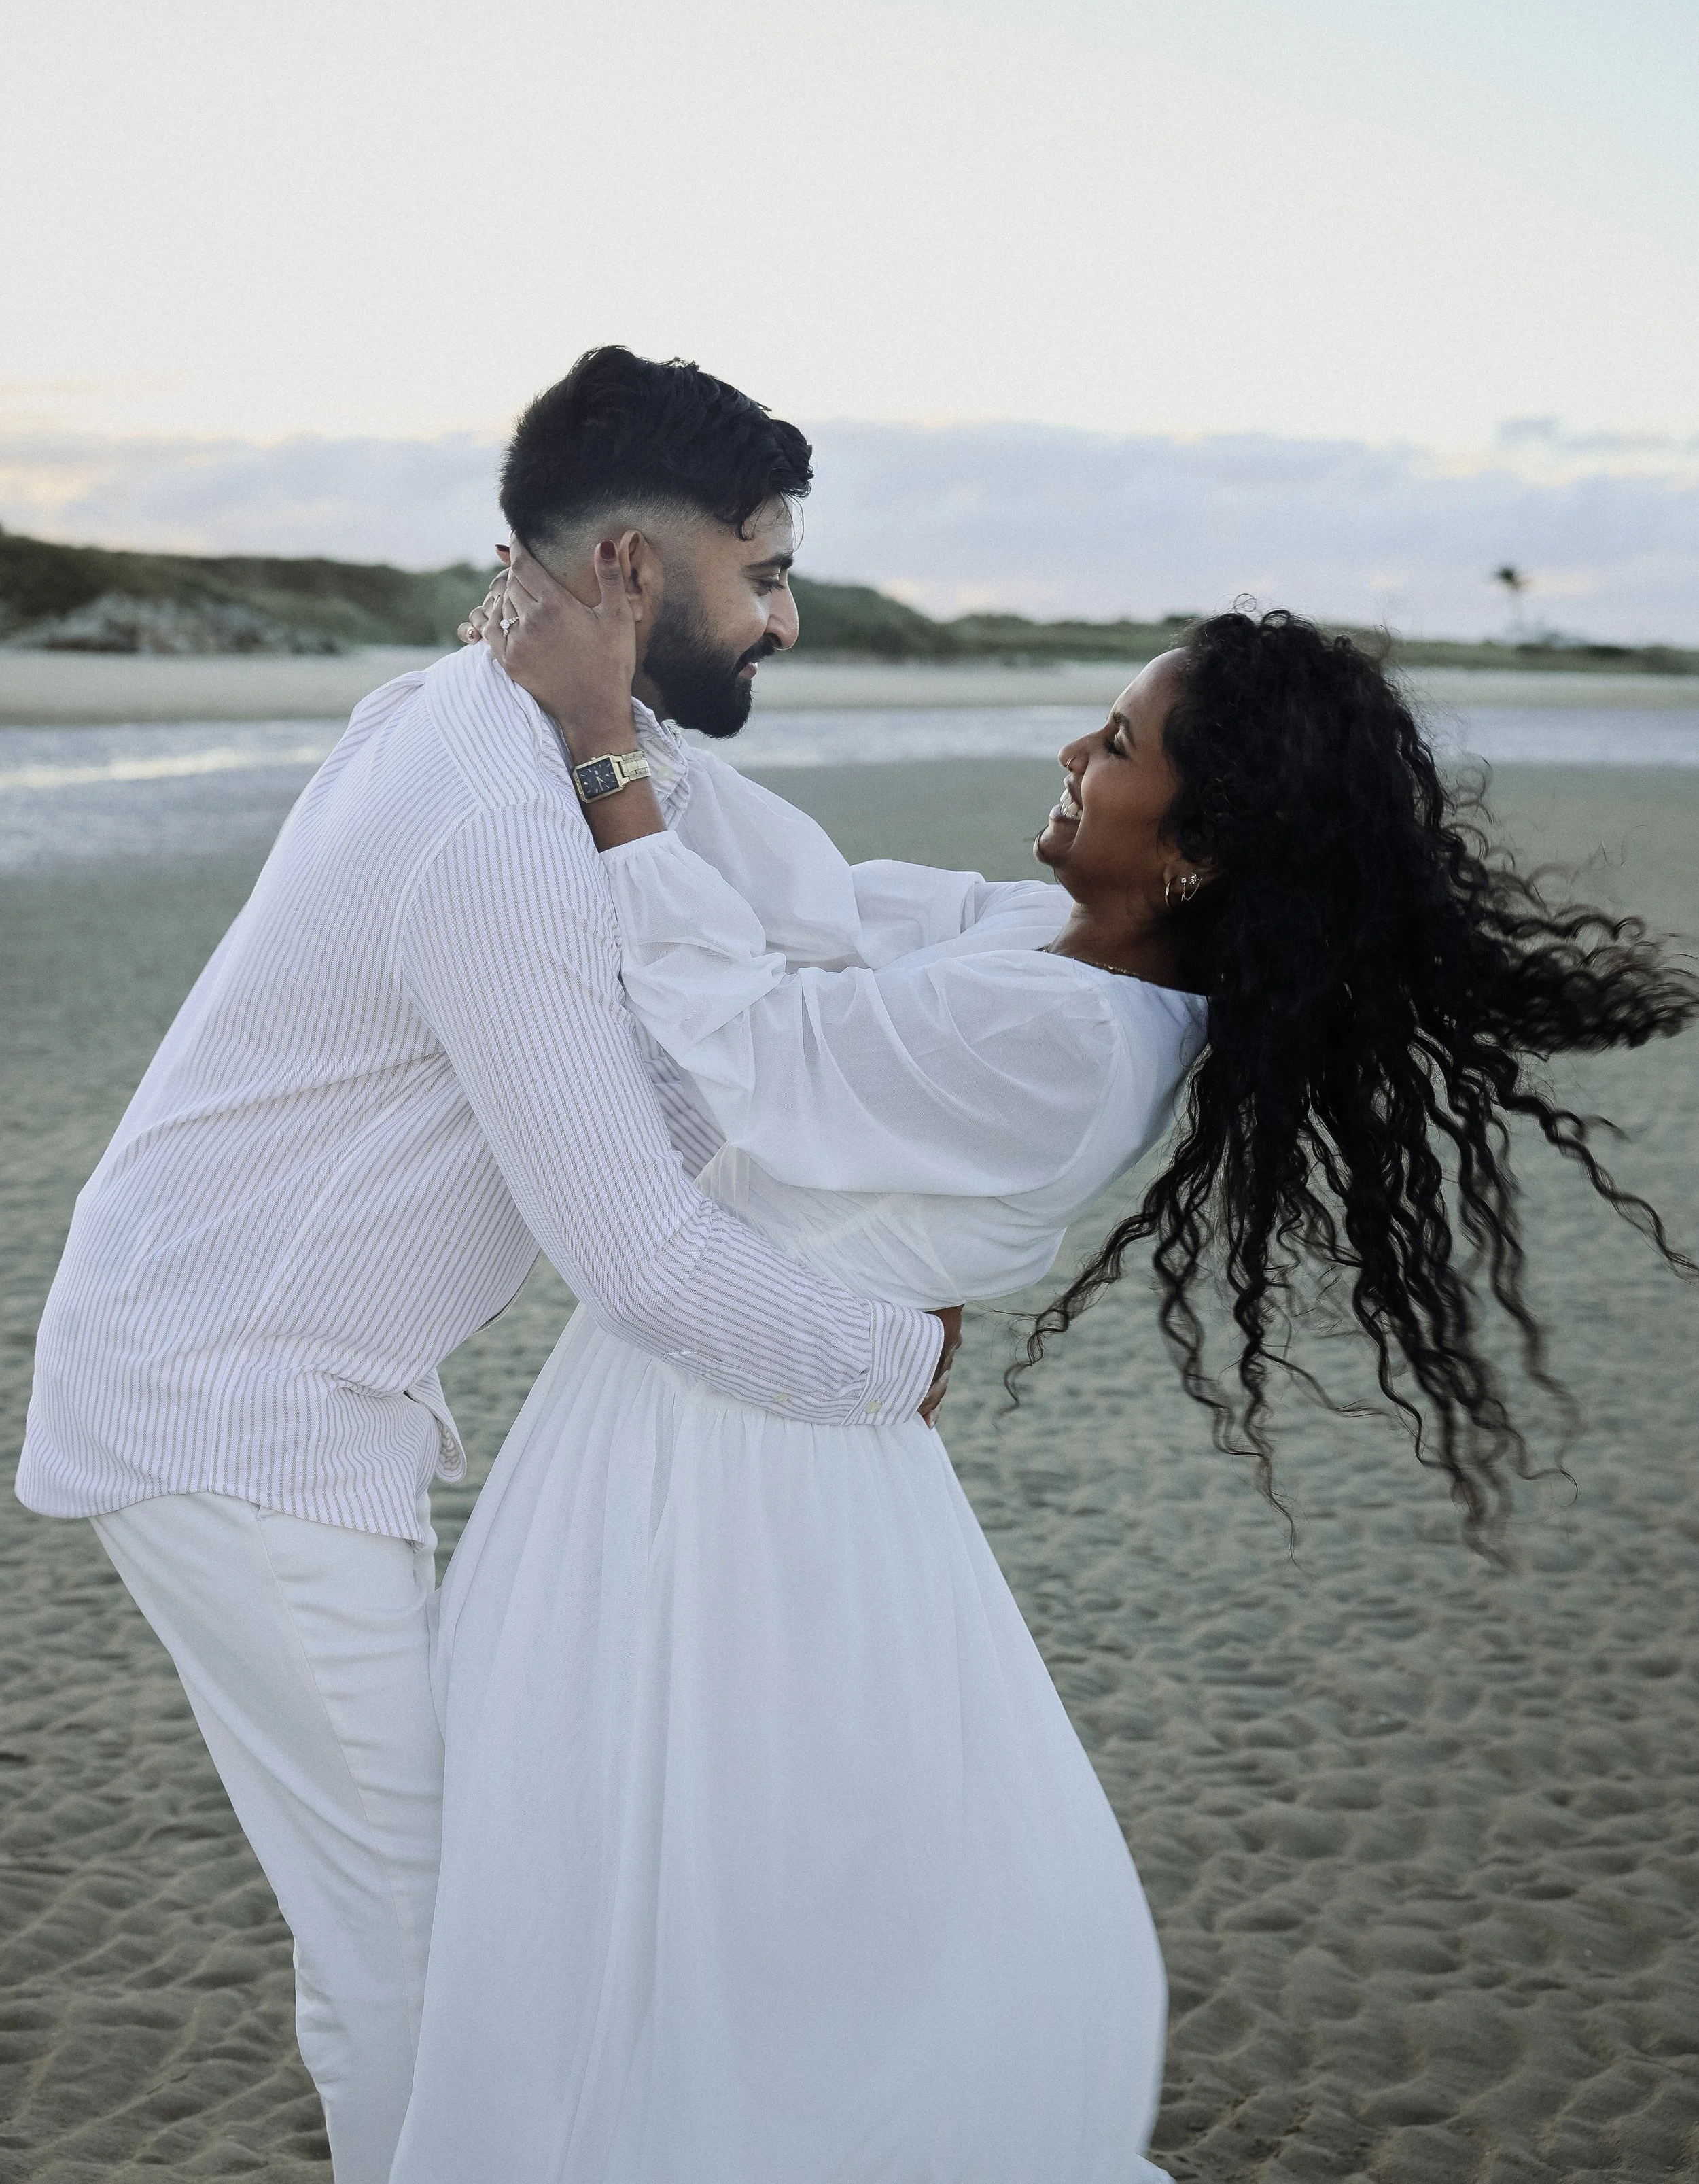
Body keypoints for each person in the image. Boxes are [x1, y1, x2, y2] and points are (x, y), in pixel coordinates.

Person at [391, 557, 1698, 2184]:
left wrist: (599, 754)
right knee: (628, 1849)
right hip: (706, 1414)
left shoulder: (1074, 1038)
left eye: (1116, 744)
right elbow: (826, 902)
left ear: (1196, 848)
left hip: (750, 1470)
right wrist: (632, 711)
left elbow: (759, 1043)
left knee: (720, 1880)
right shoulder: (1058, 947)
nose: (1076, 759)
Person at [13, 349, 958, 2184]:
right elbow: (637, 1252)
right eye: (758, 569)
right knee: (423, 1940)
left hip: (300, 1386)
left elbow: (776, 903)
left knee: (449, 1906)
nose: (781, 614)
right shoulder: (490, 813)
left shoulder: (535, 723)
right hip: (228, 1406)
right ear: (622, 566)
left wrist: (1062, 941)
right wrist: (884, 1353)